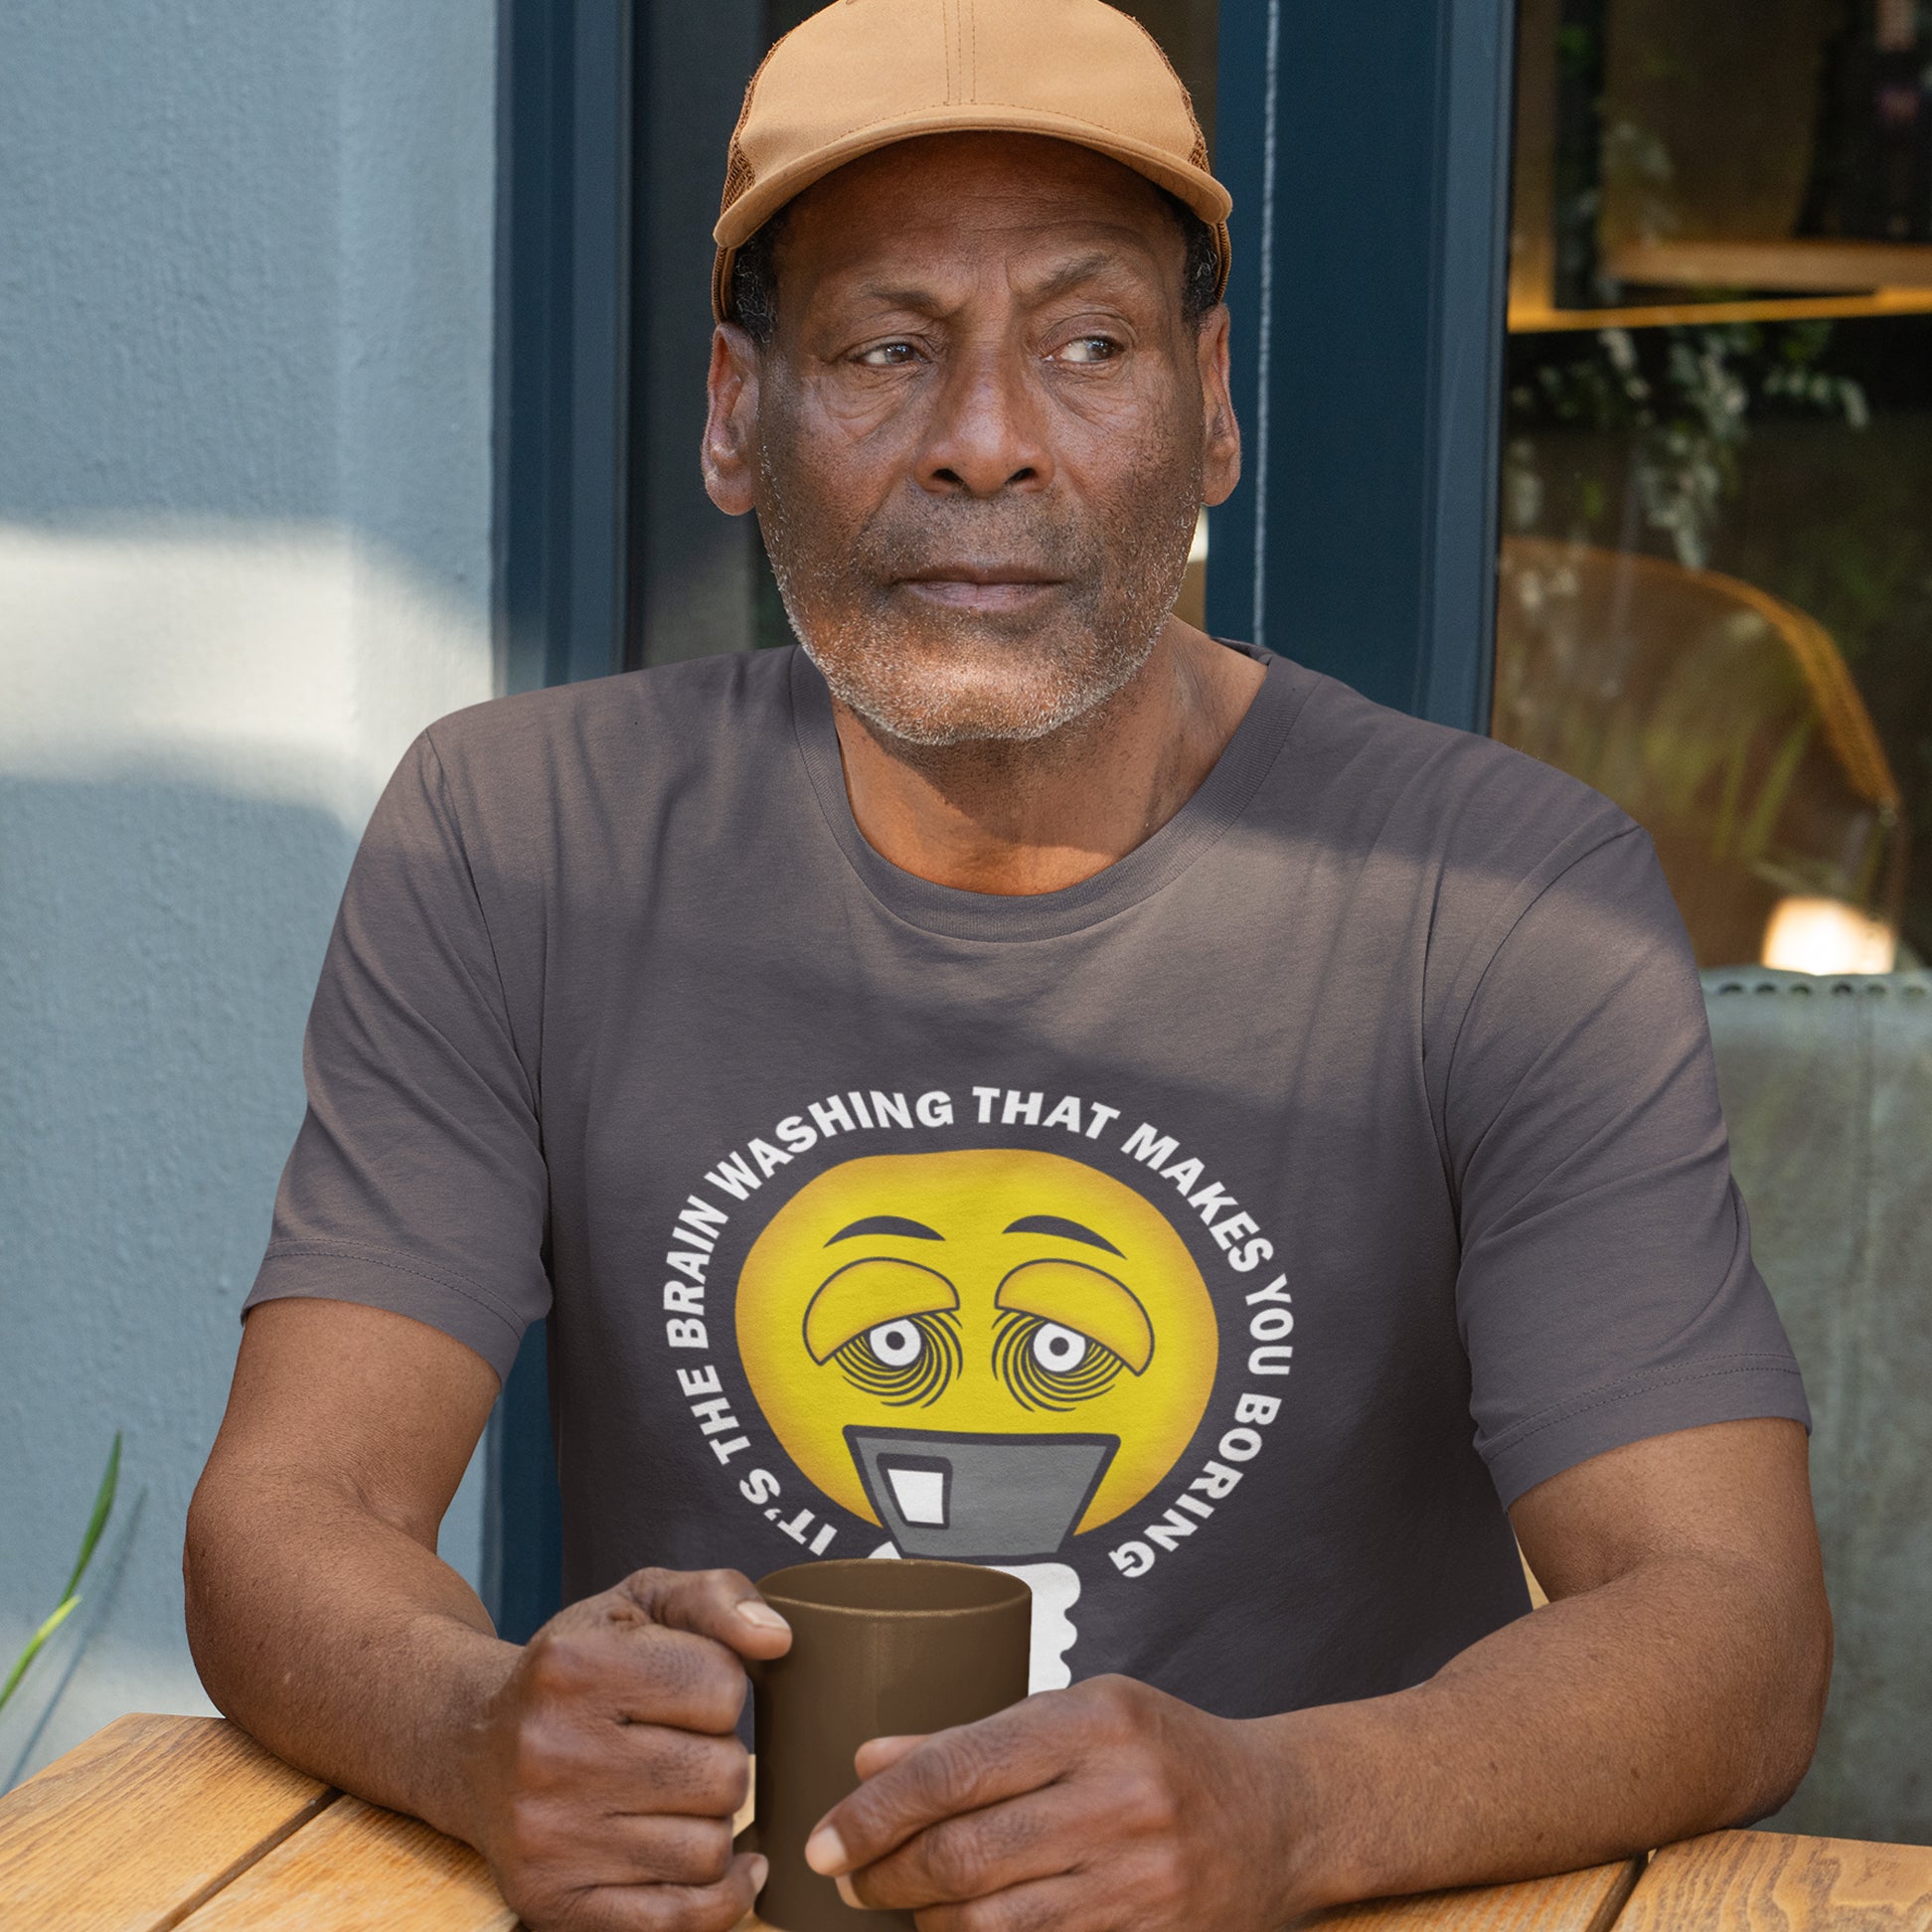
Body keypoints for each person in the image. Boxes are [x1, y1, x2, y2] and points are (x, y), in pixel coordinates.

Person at [184, 0, 1831, 1926]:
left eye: (1087, 346)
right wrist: (476, 1730)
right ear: (736, 412)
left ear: (1211, 407)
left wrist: (1285, 1814)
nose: (987, 445)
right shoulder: (514, 842)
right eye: (889, 347)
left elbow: (1734, 1623)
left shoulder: (1502, 896)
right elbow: (293, 1512)